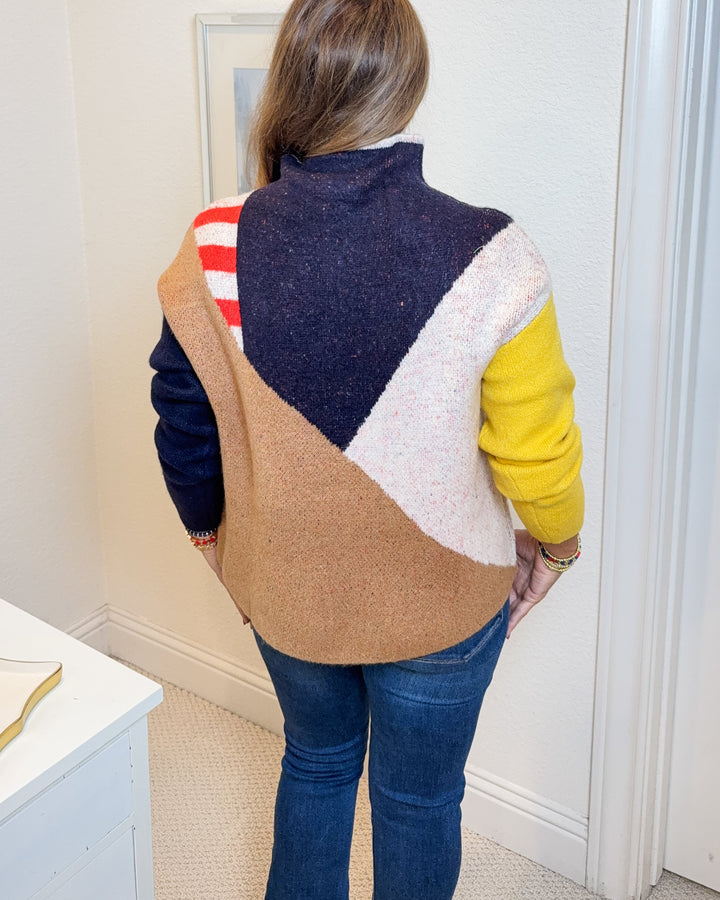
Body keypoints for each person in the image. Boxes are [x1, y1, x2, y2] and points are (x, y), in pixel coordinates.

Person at [149, 0, 584, 897]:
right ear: (408, 88)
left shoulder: (211, 245)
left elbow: (181, 421)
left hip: (288, 586)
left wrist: (216, 544)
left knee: (314, 765)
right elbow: (537, 449)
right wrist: (558, 541)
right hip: (443, 594)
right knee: (420, 801)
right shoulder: (492, 253)